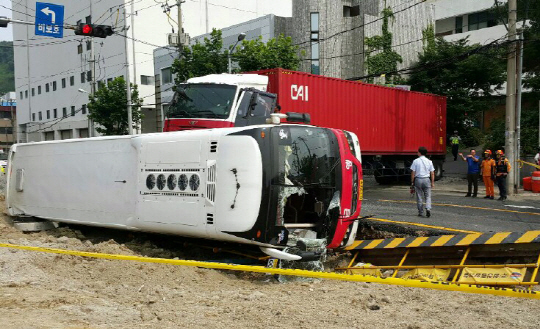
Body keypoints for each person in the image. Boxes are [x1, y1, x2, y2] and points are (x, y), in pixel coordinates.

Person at [410, 146, 435, 217]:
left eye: (418, 152)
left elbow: (413, 172)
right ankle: (428, 208)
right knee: (428, 196)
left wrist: (412, 182)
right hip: (427, 179)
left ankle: (420, 212)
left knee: (419, 196)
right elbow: (432, 172)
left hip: (418, 179)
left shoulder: (415, 161)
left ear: (420, 153)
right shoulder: (429, 161)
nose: (417, 153)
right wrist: (432, 182)